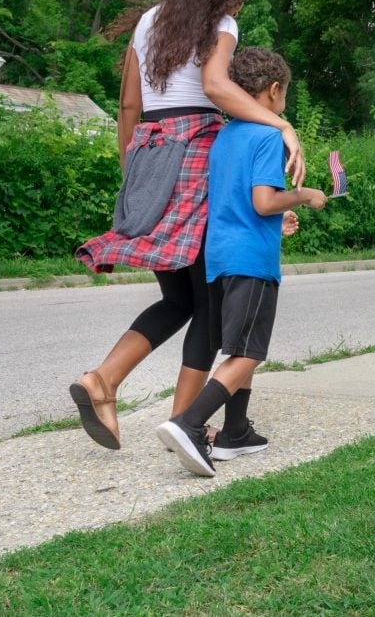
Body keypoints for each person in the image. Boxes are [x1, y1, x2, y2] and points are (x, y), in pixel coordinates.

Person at [69, 0, 306, 451]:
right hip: (196, 154)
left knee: (176, 297)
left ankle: (105, 381)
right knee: (208, 304)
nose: (241, 4)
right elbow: (216, 86)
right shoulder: (220, 21)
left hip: (147, 152)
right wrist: (282, 123)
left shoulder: (151, 20)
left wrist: (132, 170)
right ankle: (184, 423)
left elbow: (130, 103)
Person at [158, 47, 327, 476]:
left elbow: (245, 202)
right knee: (249, 354)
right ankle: (190, 424)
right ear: (273, 91)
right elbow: (263, 199)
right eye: (285, 92)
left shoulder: (227, 134)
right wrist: (305, 196)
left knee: (237, 345)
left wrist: (278, 215)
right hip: (252, 260)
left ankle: (236, 432)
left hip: (219, 257)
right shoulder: (269, 135)